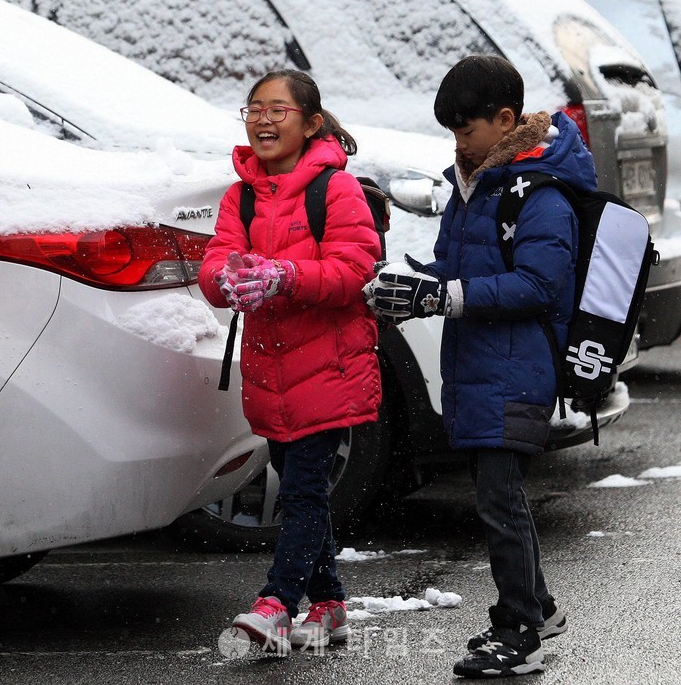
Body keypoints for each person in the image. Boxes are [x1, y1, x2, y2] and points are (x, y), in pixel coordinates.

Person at [366, 54, 594, 678]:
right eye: (452, 132)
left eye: (467, 130)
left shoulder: (541, 192)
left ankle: (519, 632)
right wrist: (410, 285)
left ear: (505, 120)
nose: (458, 143)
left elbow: (539, 286)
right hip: (479, 365)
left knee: (499, 501)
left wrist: (447, 297)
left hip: (521, 368)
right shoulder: (474, 184)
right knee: (500, 497)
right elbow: (457, 267)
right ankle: (539, 607)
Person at [198, 69, 381, 655]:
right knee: (303, 491)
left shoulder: (336, 189)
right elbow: (215, 262)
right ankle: (329, 606)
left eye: (278, 110)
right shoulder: (242, 195)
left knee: (301, 491)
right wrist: (227, 280)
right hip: (270, 371)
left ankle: (275, 604)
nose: (263, 120)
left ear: (311, 122)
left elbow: (354, 270)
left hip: (329, 366)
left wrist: (287, 275)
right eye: (254, 109)